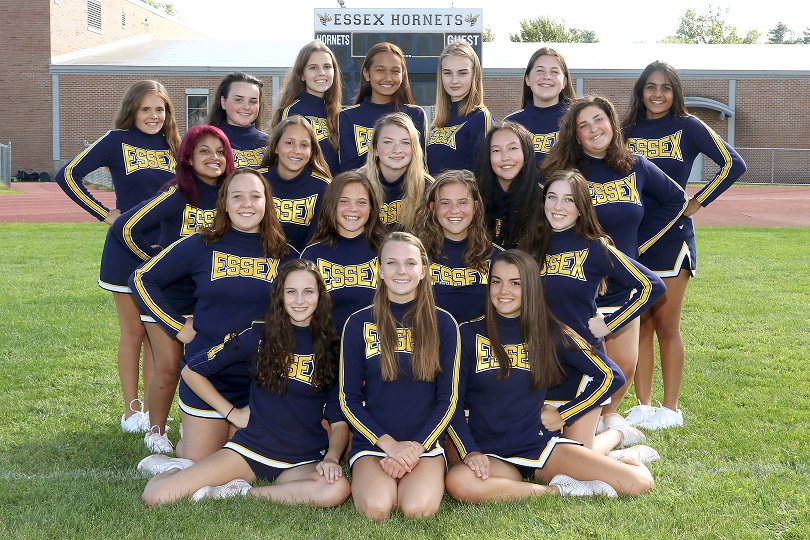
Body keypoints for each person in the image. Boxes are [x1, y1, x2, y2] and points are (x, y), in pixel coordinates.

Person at [445, 250, 654, 503]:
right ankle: (562, 489)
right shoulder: (467, 334)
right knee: (459, 482)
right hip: (491, 452)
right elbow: (452, 402)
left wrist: (564, 414)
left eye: (515, 283)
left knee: (638, 483)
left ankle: (619, 443)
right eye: (496, 281)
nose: (503, 291)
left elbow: (610, 375)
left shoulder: (549, 331)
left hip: (540, 447)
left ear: (531, 287)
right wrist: (470, 452)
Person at [139, 259, 351, 508]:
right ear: (279, 295)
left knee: (336, 489)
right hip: (251, 450)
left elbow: (338, 422)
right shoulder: (259, 334)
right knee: (156, 496)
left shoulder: (333, 346)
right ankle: (175, 469)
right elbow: (191, 371)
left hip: (303, 460)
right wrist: (233, 413)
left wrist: (331, 458)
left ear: (320, 296)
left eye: (308, 292)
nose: (299, 300)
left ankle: (239, 493)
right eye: (291, 292)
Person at [131, 169, 296, 461]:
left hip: (261, 378)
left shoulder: (286, 254)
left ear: (267, 203)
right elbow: (142, 278)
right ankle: (192, 433)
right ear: (225, 203)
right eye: (237, 196)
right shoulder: (202, 244)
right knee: (199, 460)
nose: (246, 204)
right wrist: (176, 326)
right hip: (207, 374)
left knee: (246, 458)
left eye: (255, 196)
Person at [541, 95, 688, 417]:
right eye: (584, 125)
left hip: (621, 285)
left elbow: (676, 199)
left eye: (599, 119)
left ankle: (606, 422)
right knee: (578, 367)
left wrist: (640, 243)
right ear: (575, 135)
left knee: (622, 367)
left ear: (612, 122)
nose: (594, 129)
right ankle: (585, 423)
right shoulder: (565, 174)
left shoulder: (636, 166)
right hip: (577, 286)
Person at [622, 61, 748, 429]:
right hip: (633, 237)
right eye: (650, 86)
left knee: (666, 324)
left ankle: (671, 408)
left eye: (666, 87)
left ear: (676, 92)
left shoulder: (688, 126)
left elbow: (733, 163)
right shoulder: (625, 129)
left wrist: (698, 201)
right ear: (640, 90)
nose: (657, 94)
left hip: (672, 239)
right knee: (640, 323)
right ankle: (643, 405)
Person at [55, 80, 180, 433]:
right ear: (132, 110)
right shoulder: (116, 140)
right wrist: (104, 213)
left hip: (164, 250)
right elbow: (68, 174)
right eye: (145, 109)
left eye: (160, 109)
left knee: (157, 333)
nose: (153, 116)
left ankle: (154, 408)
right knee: (134, 332)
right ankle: (131, 410)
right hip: (125, 247)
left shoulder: (176, 145)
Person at [521, 169, 665, 455]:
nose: (558, 207)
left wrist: (610, 323)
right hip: (539, 361)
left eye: (569, 200)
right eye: (552, 197)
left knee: (577, 457)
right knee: (541, 451)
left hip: (583, 363)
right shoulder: (530, 246)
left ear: (581, 207)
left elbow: (652, 285)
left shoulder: (595, 247)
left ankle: (617, 435)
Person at [112, 125, 235, 452]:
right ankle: (156, 431)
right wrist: (155, 259)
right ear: (189, 158)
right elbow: (124, 227)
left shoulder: (231, 195)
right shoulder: (178, 194)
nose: (214, 157)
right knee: (167, 367)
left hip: (206, 296)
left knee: (206, 365)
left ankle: (196, 422)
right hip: (166, 295)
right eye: (204, 151)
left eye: (220, 151)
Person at [339, 232, 460, 521]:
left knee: (417, 510)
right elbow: (348, 399)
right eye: (392, 263)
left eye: (410, 263)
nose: (401, 271)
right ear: (380, 270)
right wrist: (390, 446)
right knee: (376, 509)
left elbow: (449, 399)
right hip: (374, 444)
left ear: (424, 270)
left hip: (425, 444)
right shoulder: (358, 323)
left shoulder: (444, 323)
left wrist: (416, 448)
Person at [301, 171, 388, 333]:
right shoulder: (312, 254)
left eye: (361, 202)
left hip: (376, 344)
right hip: (326, 345)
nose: (353, 209)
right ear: (332, 204)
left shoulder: (386, 251)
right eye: (344, 201)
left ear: (371, 208)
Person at [414, 169, 502, 324]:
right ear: (432, 207)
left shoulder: (497, 257)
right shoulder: (415, 255)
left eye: (462, 202)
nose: (454, 210)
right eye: (445, 203)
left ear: (475, 207)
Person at [338, 42, 427, 172]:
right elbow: (349, 171)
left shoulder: (415, 114)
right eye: (380, 70)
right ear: (367, 74)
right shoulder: (348, 116)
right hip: (363, 185)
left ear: (403, 75)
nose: (388, 78)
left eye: (395, 71)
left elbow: (419, 167)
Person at [259, 115, 331, 252]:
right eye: (289, 143)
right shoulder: (257, 181)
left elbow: (319, 240)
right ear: (275, 147)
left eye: (304, 145)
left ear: (312, 151)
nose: (297, 151)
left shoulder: (323, 187)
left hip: (304, 262)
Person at [273, 40, 342, 176]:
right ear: (302, 75)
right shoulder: (292, 112)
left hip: (336, 186)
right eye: (313, 68)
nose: (321, 73)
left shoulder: (339, 113)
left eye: (327, 67)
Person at [426, 42, 494, 176]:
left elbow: (483, 176)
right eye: (447, 73)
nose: (454, 80)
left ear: (474, 75)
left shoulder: (480, 118)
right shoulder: (438, 124)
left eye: (462, 73)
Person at [359, 112, 432, 231]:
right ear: (375, 148)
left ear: (414, 149)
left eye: (405, 142)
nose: (397, 150)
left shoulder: (428, 187)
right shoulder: (356, 183)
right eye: (388, 142)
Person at [504, 47, 576, 167]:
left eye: (554, 72)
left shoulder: (578, 121)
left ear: (564, 82)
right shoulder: (510, 124)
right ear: (527, 79)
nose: (547, 77)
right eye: (540, 70)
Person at [475, 122, 542, 249]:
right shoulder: (474, 197)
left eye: (512, 148)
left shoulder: (544, 198)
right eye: (496, 150)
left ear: (526, 151)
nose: (505, 157)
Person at [205, 72, 268, 169]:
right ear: (223, 102)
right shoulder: (204, 141)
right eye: (238, 100)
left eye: (253, 101)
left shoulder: (271, 144)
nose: (246, 107)